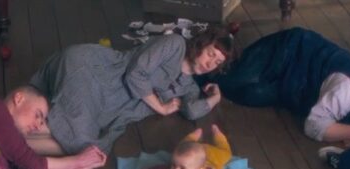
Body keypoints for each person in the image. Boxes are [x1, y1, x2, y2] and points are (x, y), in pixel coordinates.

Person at [28, 28, 234, 156]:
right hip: (96, 73)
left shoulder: (188, 86)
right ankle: (12, 139)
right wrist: (161, 108)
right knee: (76, 134)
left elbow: (191, 111)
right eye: (210, 54)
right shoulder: (175, 44)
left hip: (111, 106)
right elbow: (135, 75)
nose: (210, 63)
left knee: (89, 149)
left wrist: (215, 98)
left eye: (217, 62)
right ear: (201, 45)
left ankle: (14, 144)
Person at [204, 27, 350, 145]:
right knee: (235, 79)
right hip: (289, 50)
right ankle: (205, 52)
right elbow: (313, 126)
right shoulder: (347, 89)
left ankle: (228, 52)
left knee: (248, 95)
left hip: (292, 89)